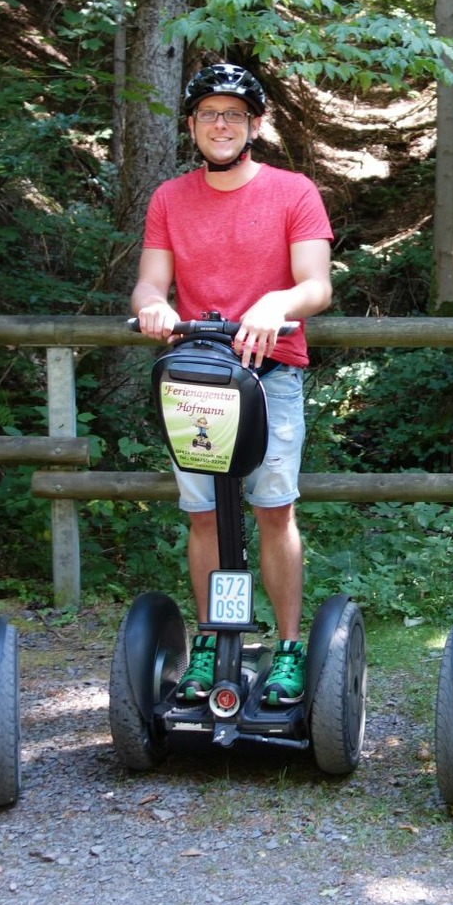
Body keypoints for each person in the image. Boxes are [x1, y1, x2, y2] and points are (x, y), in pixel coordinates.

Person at [132, 63, 334, 707]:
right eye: (210, 115)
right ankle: (216, 637)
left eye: (235, 115)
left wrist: (277, 303)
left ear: (255, 125)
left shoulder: (293, 191)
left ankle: (288, 646)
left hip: (269, 375)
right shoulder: (170, 198)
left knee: (273, 509)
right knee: (203, 518)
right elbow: (147, 284)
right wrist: (154, 308)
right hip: (198, 381)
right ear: (191, 125)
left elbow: (317, 285)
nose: (222, 126)